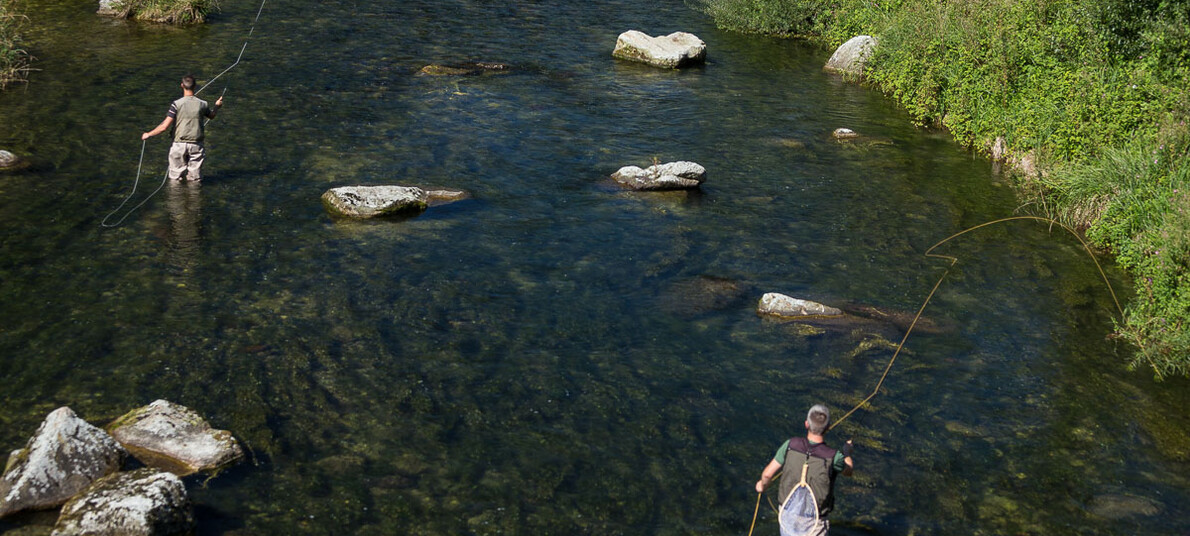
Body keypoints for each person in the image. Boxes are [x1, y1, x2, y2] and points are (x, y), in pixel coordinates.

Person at [755, 404, 854, 535]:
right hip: (815, 523)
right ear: (828, 427)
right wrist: (847, 452)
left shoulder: (790, 445)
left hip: (788, 515)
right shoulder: (834, 457)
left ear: (806, 424)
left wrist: (762, 486)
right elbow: (849, 471)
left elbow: (767, 475)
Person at [141, 74, 224, 181]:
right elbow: (212, 116)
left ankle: (175, 197)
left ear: (182, 85)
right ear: (195, 86)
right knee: (195, 180)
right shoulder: (203, 104)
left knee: (175, 179)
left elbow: (164, 127)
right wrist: (217, 106)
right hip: (196, 145)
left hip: (178, 145)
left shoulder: (176, 104)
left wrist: (148, 134)